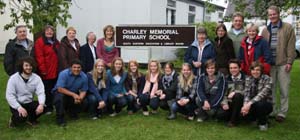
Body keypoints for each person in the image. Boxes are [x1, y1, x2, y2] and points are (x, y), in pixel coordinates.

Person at [261, 5, 297, 122]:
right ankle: (272, 110)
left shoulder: (288, 28)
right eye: (270, 15)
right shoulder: (265, 30)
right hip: (270, 64)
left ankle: (282, 113)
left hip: (283, 63)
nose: (272, 16)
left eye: (274, 14)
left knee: (283, 89)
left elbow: (291, 46)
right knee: (270, 89)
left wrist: (290, 61)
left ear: (278, 14)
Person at [6, 57, 45, 128]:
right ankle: (13, 119)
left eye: (30, 65)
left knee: (43, 108)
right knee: (21, 118)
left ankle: (31, 119)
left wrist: (41, 104)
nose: (29, 67)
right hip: (17, 104)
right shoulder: (13, 78)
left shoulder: (36, 78)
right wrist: (19, 107)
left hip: (29, 102)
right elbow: (9, 96)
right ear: (22, 66)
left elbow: (41, 92)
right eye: (26, 65)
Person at [53, 59, 88, 126]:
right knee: (60, 98)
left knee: (85, 101)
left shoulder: (84, 76)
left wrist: (79, 98)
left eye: (78, 67)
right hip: (60, 93)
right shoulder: (63, 74)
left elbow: (84, 90)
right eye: (74, 67)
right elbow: (60, 89)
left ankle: (72, 112)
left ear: (81, 68)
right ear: (70, 67)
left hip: (73, 94)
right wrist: (74, 95)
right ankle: (60, 119)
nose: (76, 69)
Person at [34, 25, 59, 114]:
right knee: (47, 89)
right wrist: (42, 69)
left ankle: (55, 105)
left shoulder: (55, 42)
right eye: (47, 31)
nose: (49, 32)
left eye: (51, 31)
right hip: (46, 70)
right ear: (44, 32)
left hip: (55, 69)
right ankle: (48, 107)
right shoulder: (39, 42)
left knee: (55, 88)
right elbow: (39, 57)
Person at [241, 61, 273, 131]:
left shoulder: (268, 79)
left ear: (261, 71)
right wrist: (245, 105)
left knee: (260, 104)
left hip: (265, 104)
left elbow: (262, 94)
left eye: (257, 70)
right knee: (242, 113)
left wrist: (249, 104)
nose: (255, 72)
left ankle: (263, 123)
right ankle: (254, 119)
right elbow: (246, 94)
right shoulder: (248, 78)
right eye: (253, 70)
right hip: (252, 104)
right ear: (251, 70)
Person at [219, 59, 245, 127]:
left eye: (235, 68)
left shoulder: (246, 78)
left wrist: (235, 92)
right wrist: (224, 103)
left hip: (242, 103)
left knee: (237, 96)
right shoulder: (226, 79)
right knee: (220, 115)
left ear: (240, 68)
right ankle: (235, 116)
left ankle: (233, 121)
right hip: (230, 103)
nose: (233, 70)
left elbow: (248, 92)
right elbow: (223, 93)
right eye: (231, 68)